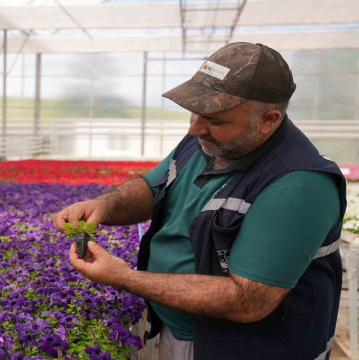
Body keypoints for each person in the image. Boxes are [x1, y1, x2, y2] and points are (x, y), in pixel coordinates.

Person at [53, 42, 347, 360]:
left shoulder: (298, 184)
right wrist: (105, 206)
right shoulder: (208, 138)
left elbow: (247, 300)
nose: (194, 127)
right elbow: (154, 187)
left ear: (268, 119)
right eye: (195, 111)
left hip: (246, 349)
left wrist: (125, 277)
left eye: (216, 120)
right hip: (179, 328)